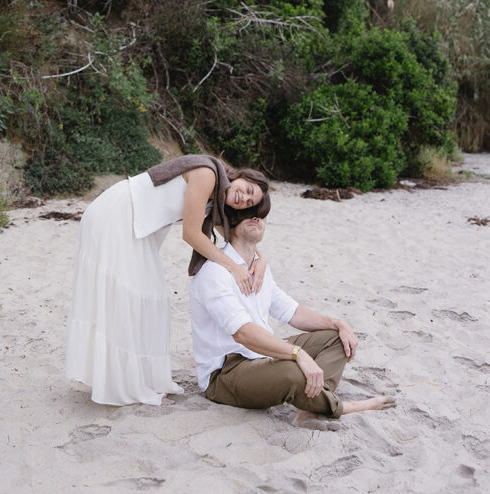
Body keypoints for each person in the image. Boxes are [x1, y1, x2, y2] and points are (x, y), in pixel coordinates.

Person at [66, 154, 270, 407]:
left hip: (134, 225)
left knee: (147, 302)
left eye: (249, 202)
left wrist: (260, 258)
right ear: (241, 176)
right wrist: (233, 268)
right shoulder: (208, 175)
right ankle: (122, 383)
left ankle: (133, 378)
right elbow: (192, 234)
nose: (244, 198)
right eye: (247, 189)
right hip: (117, 215)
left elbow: (233, 238)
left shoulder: (216, 200)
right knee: (128, 298)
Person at [190, 210, 396, 429]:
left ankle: (308, 409)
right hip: (226, 373)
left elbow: (292, 311)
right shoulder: (215, 272)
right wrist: (298, 354)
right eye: (247, 212)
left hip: (261, 356)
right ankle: (342, 406)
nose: (256, 216)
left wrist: (338, 324)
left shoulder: (258, 267)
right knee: (294, 372)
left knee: (336, 338)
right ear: (229, 222)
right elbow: (243, 333)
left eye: (261, 210)